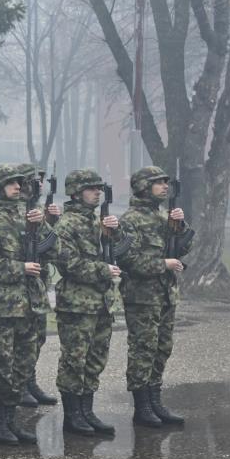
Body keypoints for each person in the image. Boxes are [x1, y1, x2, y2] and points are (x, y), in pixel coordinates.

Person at [0, 164, 54, 447]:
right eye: (11, 183)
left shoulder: (27, 217)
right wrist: (20, 268)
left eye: (20, 182)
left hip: (30, 304)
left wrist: (41, 225)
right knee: (1, 365)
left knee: (23, 364)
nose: (18, 187)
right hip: (0, 307)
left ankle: (12, 419)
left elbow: (57, 251)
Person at [54, 168, 124, 436]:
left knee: (95, 358)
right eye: (90, 189)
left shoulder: (100, 221)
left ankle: (87, 410)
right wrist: (102, 270)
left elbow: (121, 252)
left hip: (101, 303)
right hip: (76, 303)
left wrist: (114, 233)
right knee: (75, 359)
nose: (96, 193)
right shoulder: (67, 224)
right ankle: (73, 416)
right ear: (76, 192)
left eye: (99, 189)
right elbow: (68, 264)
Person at [120, 165, 190, 428]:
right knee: (143, 349)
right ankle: (142, 407)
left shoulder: (164, 217)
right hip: (141, 297)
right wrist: (165, 264)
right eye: (158, 182)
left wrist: (180, 225)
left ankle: (155, 401)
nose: (164, 186)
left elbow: (186, 246)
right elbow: (129, 260)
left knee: (162, 349)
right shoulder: (130, 220)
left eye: (165, 182)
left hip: (165, 295)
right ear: (142, 187)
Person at [15, 163, 61, 408]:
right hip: (20, 284)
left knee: (37, 338)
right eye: (36, 180)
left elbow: (53, 248)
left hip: (38, 283)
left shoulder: (37, 210)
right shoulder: (17, 210)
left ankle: (30, 381)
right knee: (22, 340)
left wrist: (50, 220)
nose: (40, 184)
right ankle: (20, 385)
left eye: (42, 179)